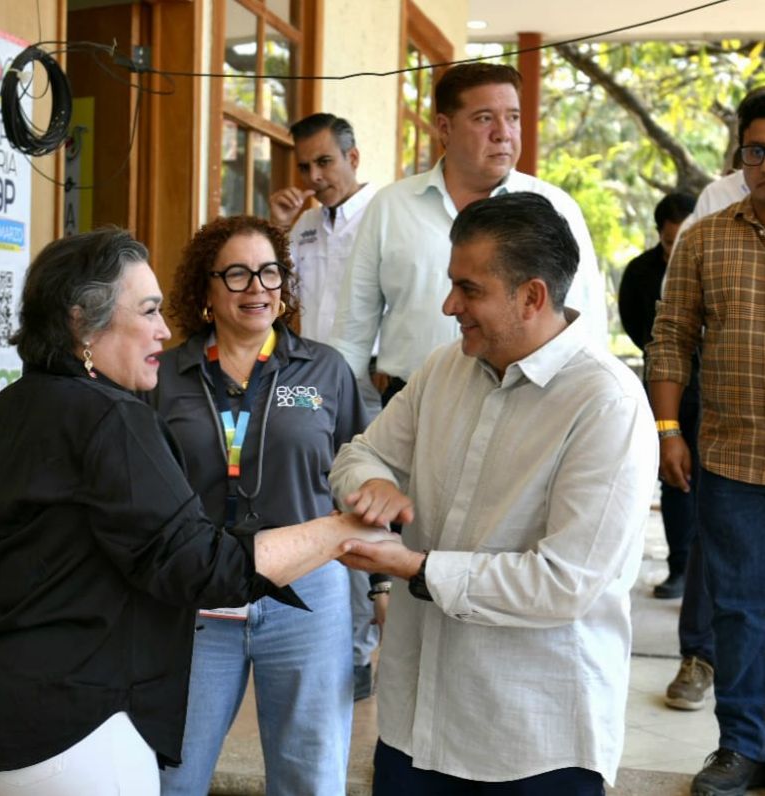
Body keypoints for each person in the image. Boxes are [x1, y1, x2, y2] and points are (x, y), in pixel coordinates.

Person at [0, 229, 389, 796]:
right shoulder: (115, 416)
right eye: (147, 311)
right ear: (82, 324)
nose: (163, 331)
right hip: (79, 729)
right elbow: (202, 567)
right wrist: (341, 530)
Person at [330, 192, 657, 795]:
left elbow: (564, 583)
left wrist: (416, 568)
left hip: (534, 738)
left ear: (531, 296)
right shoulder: (442, 369)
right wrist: (373, 485)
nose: (449, 305)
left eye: (469, 289)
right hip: (414, 721)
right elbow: (358, 454)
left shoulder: (606, 403)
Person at [152, 216, 369, 796]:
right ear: (206, 287)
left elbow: (358, 474)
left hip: (308, 591)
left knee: (310, 776)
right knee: (174, 774)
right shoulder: (165, 376)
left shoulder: (325, 369)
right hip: (197, 593)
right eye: (238, 274)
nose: (257, 288)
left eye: (270, 272)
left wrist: (378, 587)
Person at [329, 62, 607, 406]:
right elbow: (353, 330)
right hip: (412, 403)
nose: (503, 133)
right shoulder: (391, 206)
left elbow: (586, 325)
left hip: (526, 405)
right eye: (484, 118)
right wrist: (349, 414)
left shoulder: (555, 207)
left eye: (513, 117)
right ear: (445, 128)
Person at [647, 90, 765, 796]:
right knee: (738, 608)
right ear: (741, 156)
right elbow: (670, 339)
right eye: (757, 150)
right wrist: (668, 432)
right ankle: (742, 746)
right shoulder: (706, 238)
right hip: (733, 459)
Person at [270, 112, 386, 700]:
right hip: (307, 384)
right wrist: (279, 229)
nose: (315, 177)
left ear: (353, 158)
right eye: (305, 166)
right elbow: (274, 290)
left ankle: (359, 653)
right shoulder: (305, 226)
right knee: (311, 507)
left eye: (325, 162)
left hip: (366, 385)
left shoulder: (383, 215)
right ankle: (312, 638)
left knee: (360, 509)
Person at [618, 191, 698, 601]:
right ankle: (679, 567)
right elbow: (635, 324)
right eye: (669, 242)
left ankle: (705, 572)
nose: (675, 250)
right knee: (675, 477)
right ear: (659, 235)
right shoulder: (639, 271)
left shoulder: (707, 259)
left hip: (713, 383)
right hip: (667, 388)